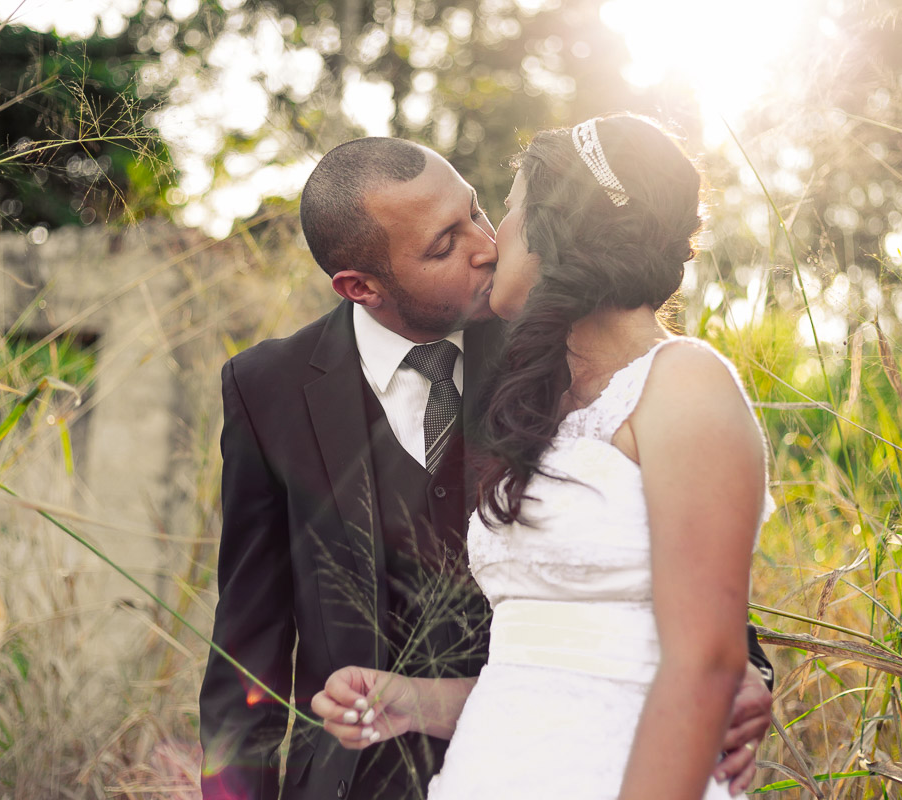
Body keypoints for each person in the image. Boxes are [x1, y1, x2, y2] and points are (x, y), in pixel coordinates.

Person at [202, 133, 773, 800]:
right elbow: (248, 645)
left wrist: (747, 671)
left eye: (477, 210)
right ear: (361, 286)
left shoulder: (568, 350)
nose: (484, 244)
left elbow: (678, 564)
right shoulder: (268, 387)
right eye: (444, 245)